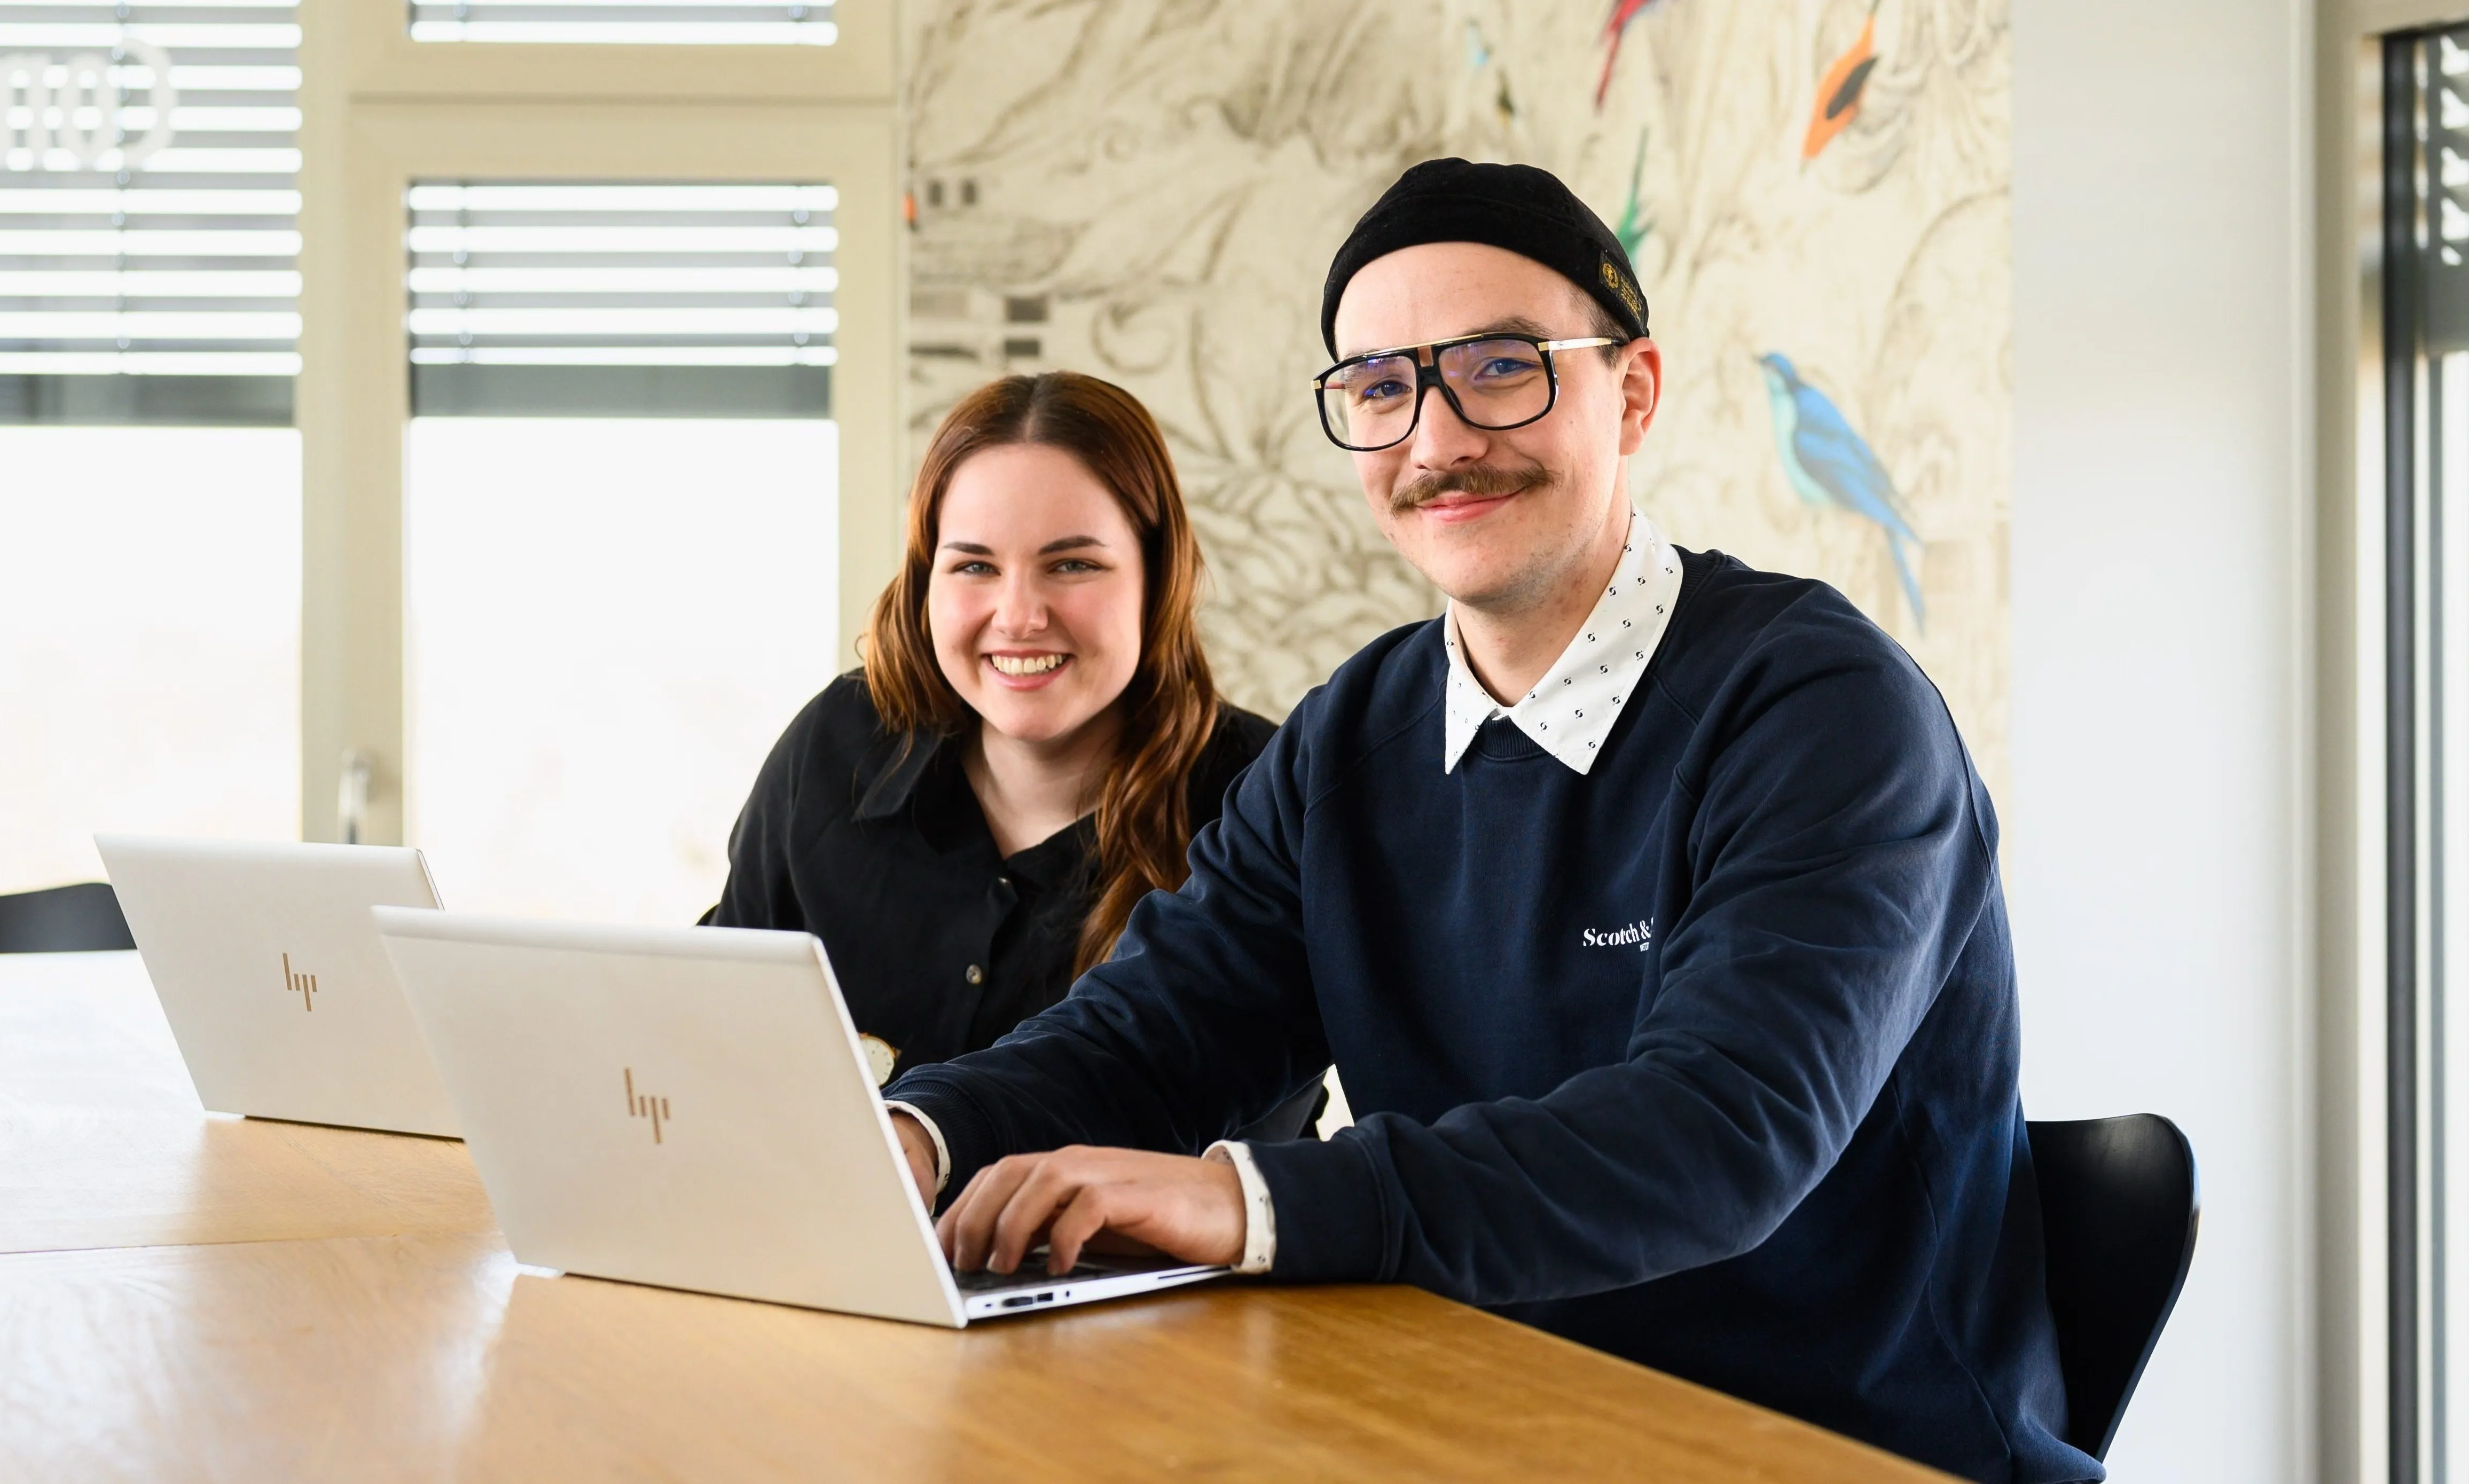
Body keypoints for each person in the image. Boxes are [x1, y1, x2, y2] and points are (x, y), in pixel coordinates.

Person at [880, 161, 2094, 1483]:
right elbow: (1152, 1032)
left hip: (1835, 1447)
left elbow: (1719, 1135)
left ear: (1632, 394)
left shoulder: (1823, 710)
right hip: (1470, 1419)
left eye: (1500, 367)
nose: (1437, 439)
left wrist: (1244, 1200)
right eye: (1382, 388)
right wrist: (910, 1133)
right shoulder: (1353, 736)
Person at [708, 371, 1306, 1133]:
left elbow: (1243, 1127)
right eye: (975, 566)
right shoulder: (837, 743)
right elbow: (714, 1035)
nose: (1019, 616)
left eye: (1072, 564)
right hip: (832, 1247)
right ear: (927, 580)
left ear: (1158, 579)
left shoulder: (1264, 797)